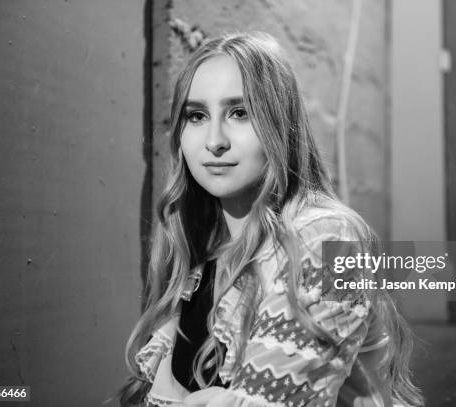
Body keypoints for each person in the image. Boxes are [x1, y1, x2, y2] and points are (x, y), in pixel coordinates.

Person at [119, 31, 423, 407]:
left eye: (240, 113)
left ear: (279, 124)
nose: (214, 140)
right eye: (196, 116)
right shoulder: (198, 251)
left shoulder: (325, 239)